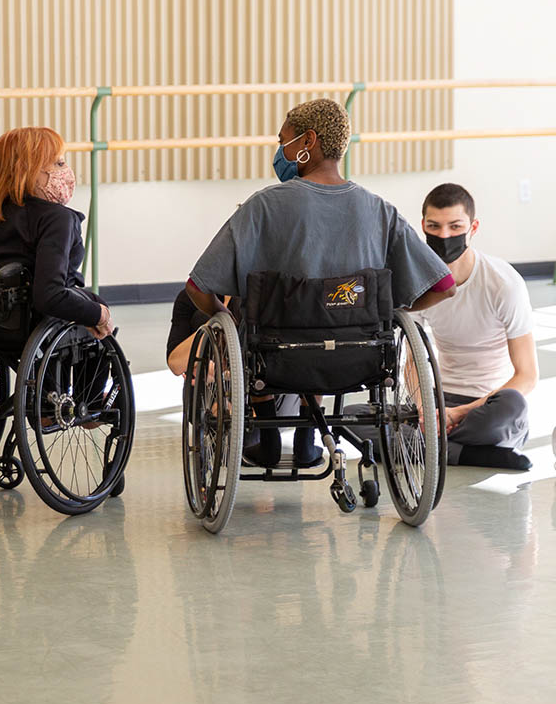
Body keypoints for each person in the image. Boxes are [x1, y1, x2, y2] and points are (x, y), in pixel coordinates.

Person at [185, 98, 456, 467]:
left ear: (307, 141)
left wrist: (226, 320)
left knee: (275, 329)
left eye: (284, 140)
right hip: (361, 360)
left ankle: (267, 434)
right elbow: (443, 287)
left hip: (276, 361)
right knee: (332, 324)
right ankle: (308, 436)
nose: (280, 150)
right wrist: (389, 313)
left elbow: (198, 289)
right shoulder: (379, 210)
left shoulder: (262, 207)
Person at [412, 183, 537, 470]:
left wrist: (458, 414)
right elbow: (411, 358)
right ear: (423, 226)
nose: (444, 236)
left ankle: (424, 447)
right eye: (434, 226)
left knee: (511, 409)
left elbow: (527, 376)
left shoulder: (504, 283)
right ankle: (470, 455)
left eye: (455, 226)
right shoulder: (420, 280)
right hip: (439, 398)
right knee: (357, 420)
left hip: (488, 404)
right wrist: (423, 409)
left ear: (474, 227)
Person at [0, 126, 112, 339]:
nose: (66, 173)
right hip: (32, 322)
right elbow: (49, 296)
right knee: (96, 306)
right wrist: (98, 314)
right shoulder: (57, 218)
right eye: (59, 164)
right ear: (27, 171)